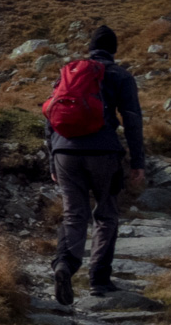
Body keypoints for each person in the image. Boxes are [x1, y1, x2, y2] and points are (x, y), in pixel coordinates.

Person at [48, 24, 146, 305]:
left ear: (90, 47)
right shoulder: (120, 75)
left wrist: (52, 159)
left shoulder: (70, 73)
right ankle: (99, 281)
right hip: (104, 153)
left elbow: (50, 115)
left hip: (65, 152)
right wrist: (138, 162)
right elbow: (132, 120)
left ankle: (64, 266)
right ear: (114, 50)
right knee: (105, 213)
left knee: (73, 214)